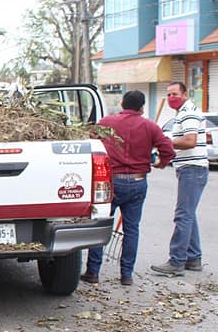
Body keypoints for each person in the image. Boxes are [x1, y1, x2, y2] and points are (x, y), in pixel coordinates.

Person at [80, 90, 175, 286]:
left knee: (100, 224)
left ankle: (93, 272)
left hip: (110, 182)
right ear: (141, 107)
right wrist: (161, 163)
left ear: (122, 103)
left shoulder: (106, 123)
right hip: (138, 182)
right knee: (132, 229)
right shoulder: (150, 126)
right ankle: (126, 275)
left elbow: (90, 142)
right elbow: (168, 150)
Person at [151, 81, 209, 276]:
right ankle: (193, 258)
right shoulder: (181, 114)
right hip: (188, 168)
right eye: (168, 95)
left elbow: (189, 141)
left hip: (193, 169)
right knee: (189, 214)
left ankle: (176, 261)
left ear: (185, 94)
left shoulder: (189, 113)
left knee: (183, 215)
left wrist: (165, 143)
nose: (170, 98)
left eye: (174, 94)